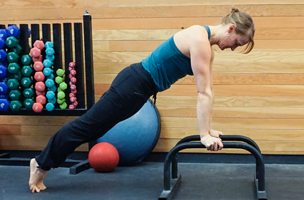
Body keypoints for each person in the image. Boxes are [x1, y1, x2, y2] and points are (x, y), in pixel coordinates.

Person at [29, 7, 255, 193]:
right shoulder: (200, 40)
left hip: (138, 89)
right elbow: (203, 93)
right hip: (133, 86)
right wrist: (204, 135)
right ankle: (40, 163)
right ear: (231, 28)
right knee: (86, 127)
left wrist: (208, 130)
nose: (233, 48)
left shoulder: (203, 41)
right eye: (237, 41)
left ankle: (44, 161)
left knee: (92, 128)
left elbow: (207, 90)